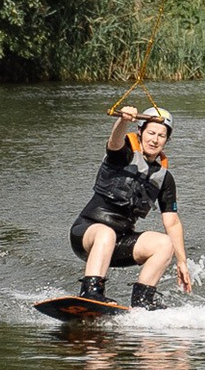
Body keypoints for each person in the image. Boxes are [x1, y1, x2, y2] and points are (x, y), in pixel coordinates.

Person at [70, 105, 189, 306]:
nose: (155, 139)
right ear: (140, 132)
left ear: (166, 141)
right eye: (151, 133)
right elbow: (114, 141)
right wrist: (123, 120)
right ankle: (90, 293)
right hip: (87, 234)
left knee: (164, 244)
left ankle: (142, 301)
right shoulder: (122, 154)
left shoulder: (164, 178)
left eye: (161, 135)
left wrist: (182, 262)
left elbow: (173, 223)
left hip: (119, 242)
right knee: (105, 233)